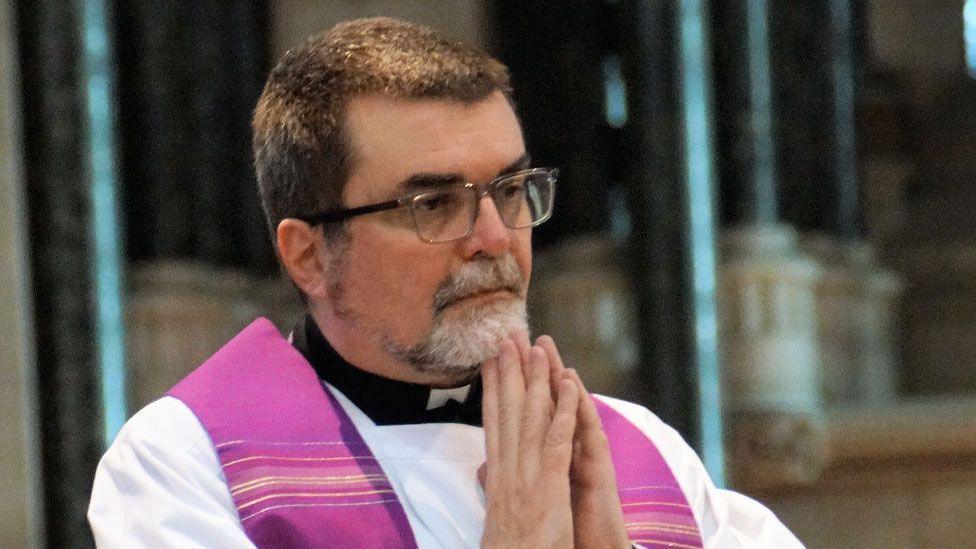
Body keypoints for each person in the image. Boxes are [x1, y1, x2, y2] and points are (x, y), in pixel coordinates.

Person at [88, 17, 802, 548]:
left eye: (512, 189)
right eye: (434, 204)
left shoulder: (646, 457)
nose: (494, 235)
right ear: (308, 255)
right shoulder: (188, 463)